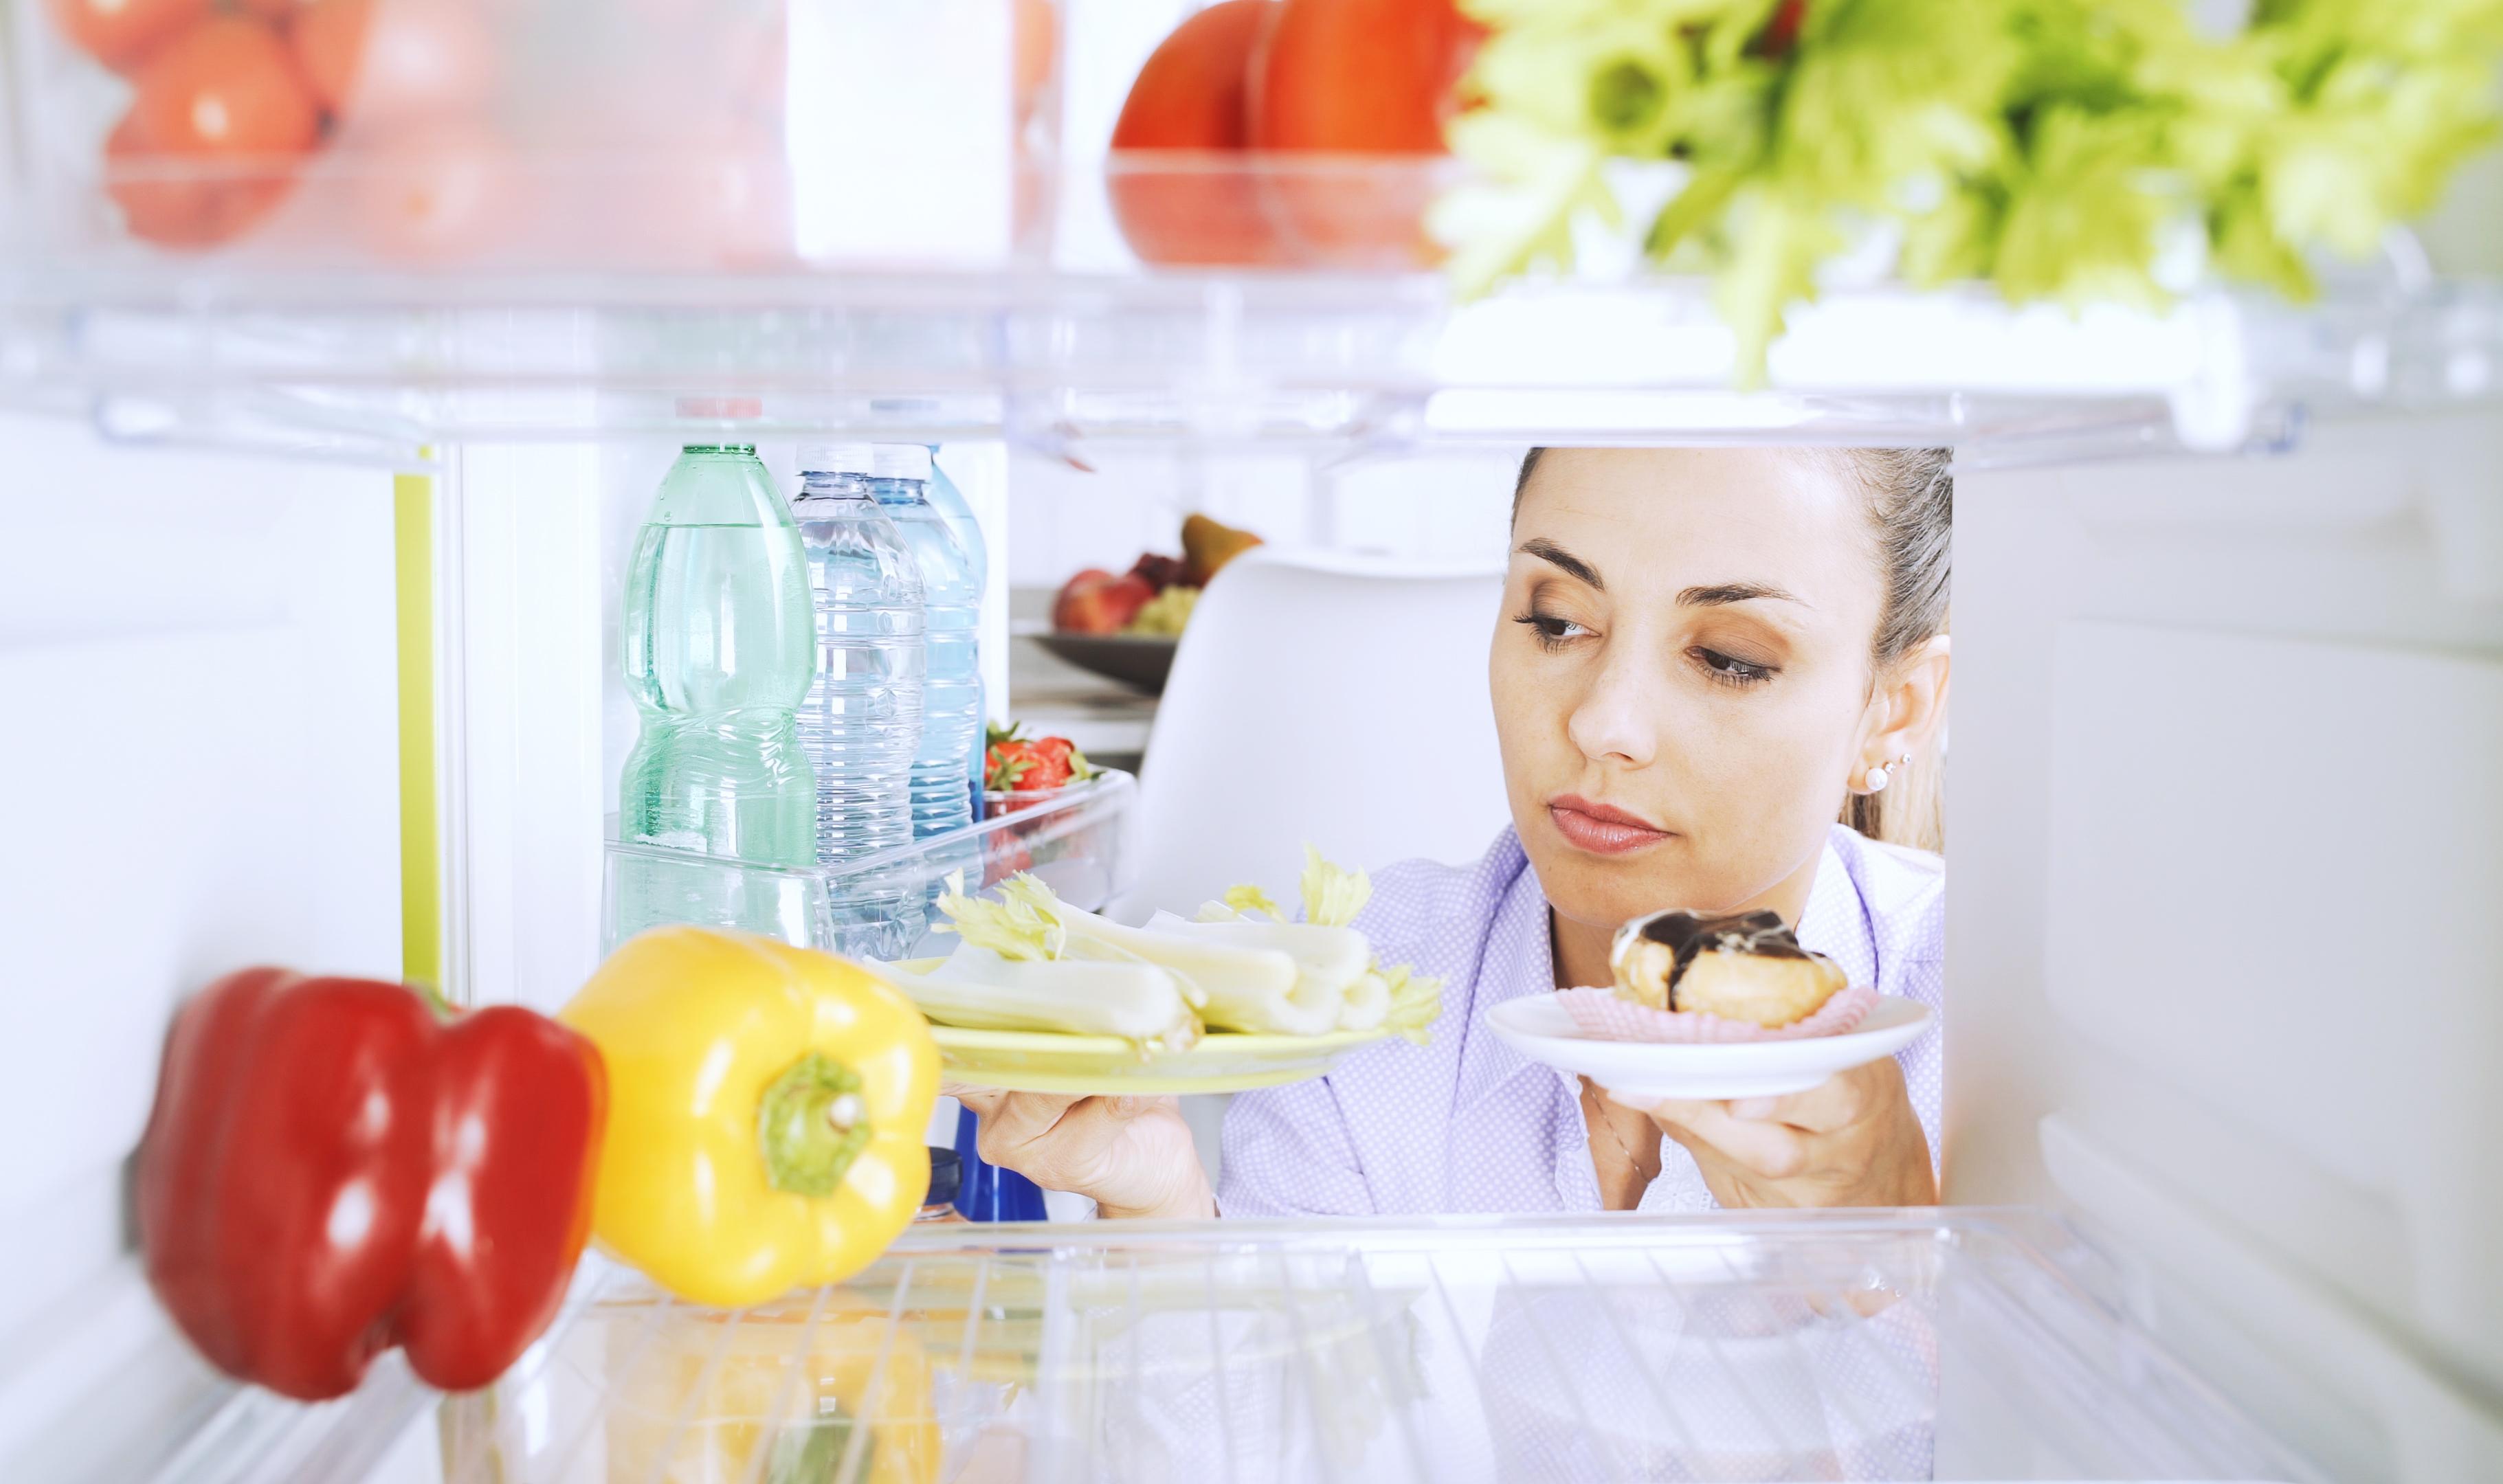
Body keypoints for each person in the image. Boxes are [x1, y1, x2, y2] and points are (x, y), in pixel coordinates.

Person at [953, 446, 1951, 1218]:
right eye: (1555, 619)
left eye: (1729, 659)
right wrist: (1159, 1218)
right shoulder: (1366, 996)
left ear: (1896, 710)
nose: (1603, 723)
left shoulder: (1986, 1019)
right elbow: (1282, 1435)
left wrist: (1894, 1260)